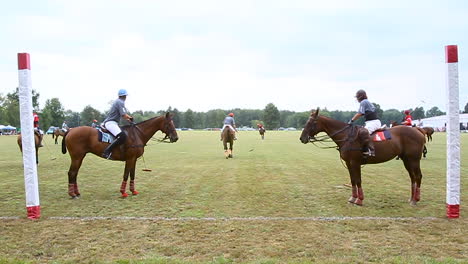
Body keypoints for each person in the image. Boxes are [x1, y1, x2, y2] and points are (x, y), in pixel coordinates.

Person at [101, 89, 133, 159]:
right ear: (124, 96)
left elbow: (123, 115)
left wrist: (129, 119)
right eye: (126, 96)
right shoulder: (120, 102)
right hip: (111, 122)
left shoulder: (118, 101)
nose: (126, 97)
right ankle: (106, 152)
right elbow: (123, 115)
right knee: (122, 136)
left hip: (113, 122)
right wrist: (130, 118)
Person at [348, 90, 381, 156]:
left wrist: (351, 120)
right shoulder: (366, 102)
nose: (357, 99)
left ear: (360, 96)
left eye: (357, 97)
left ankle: (371, 150)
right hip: (371, 122)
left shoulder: (364, 102)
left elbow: (360, 113)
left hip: (373, 122)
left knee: (363, 133)